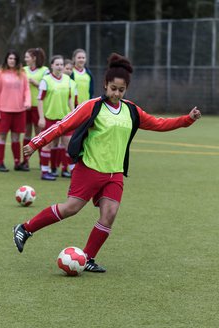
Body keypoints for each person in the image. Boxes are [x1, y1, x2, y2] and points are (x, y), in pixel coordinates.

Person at [13, 53, 201, 273]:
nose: (116, 93)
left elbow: (159, 123)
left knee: (109, 214)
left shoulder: (131, 110)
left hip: (115, 173)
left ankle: (88, 257)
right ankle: (25, 229)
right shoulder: (93, 106)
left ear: (126, 90)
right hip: (89, 169)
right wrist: (36, 143)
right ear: (105, 85)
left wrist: (187, 119)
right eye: (113, 88)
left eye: (121, 90)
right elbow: (62, 125)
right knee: (70, 208)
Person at [0, 50, 31, 172]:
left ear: (17, 60)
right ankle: (0, 163)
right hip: (4, 110)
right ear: (6, 60)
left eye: (14, 59)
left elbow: (27, 90)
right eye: (10, 58)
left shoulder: (22, 73)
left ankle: (17, 163)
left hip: (19, 111)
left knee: (16, 138)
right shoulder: (0, 73)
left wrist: (27, 102)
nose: (12, 61)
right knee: (2, 136)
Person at [37, 55, 74, 180]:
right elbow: (40, 100)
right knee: (47, 145)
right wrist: (41, 118)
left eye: (61, 64)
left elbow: (70, 98)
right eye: (57, 64)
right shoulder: (46, 80)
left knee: (68, 145)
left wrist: (73, 113)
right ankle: (45, 172)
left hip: (65, 119)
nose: (59, 66)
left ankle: (73, 171)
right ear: (51, 65)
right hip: (50, 118)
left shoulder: (67, 79)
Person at [21, 47, 49, 171]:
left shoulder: (45, 71)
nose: (25, 59)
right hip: (25, 106)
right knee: (27, 133)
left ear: (34, 58)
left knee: (39, 134)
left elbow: (48, 88)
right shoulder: (23, 70)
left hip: (39, 108)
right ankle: (25, 161)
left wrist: (35, 83)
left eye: (27, 56)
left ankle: (41, 162)